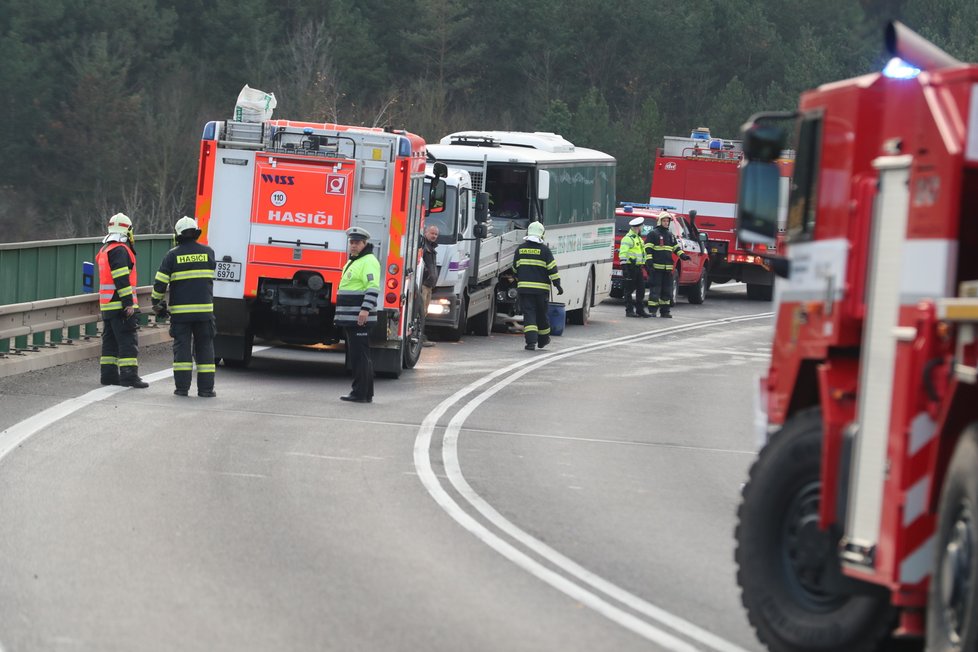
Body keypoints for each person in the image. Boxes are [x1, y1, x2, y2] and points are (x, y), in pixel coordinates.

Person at [151, 216, 217, 397]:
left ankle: (182, 389)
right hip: (204, 313)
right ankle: (206, 390)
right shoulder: (209, 253)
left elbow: (160, 284)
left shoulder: (172, 255)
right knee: (205, 350)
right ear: (196, 233)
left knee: (182, 350)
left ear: (178, 235)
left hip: (181, 315)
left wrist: (156, 303)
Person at [96, 212, 148, 388]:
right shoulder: (120, 250)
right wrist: (128, 303)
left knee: (109, 342)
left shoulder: (104, 250)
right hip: (120, 305)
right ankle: (129, 377)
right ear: (127, 230)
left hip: (107, 304)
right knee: (127, 341)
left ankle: (108, 376)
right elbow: (121, 278)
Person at [335, 226, 381, 403]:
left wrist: (364, 310)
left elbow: (372, 287)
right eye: (351, 242)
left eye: (357, 243)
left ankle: (360, 393)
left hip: (359, 318)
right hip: (352, 318)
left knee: (360, 357)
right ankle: (365, 393)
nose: (353, 245)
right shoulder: (354, 260)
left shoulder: (368, 261)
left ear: (365, 243)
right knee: (360, 356)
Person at [512, 221, 562, 351]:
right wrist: (558, 285)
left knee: (529, 315)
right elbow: (552, 270)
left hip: (525, 290)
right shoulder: (545, 251)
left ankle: (531, 343)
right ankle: (543, 340)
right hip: (541, 291)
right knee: (542, 315)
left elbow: (514, 268)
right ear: (541, 234)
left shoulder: (520, 249)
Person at [644, 211, 690, 318]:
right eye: (664, 221)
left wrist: (683, 256)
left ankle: (665, 311)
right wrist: (649, 263)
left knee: (667, 291)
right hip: (656, 268)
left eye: (667, 221)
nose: (666, 223)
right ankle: (653, 311)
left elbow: (675, 248)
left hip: (668, 269)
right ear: (660, 221)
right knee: (655, 290)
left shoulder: (670, 235)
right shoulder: (653, 234)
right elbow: (648, 249)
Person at [619, 215, 650, 318]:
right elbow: (623, 253)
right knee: (628, 290)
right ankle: (629, 310)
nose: (643, 228)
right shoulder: (628, 239)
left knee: (641, 289)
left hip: (638, 268)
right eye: (642, 226)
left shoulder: (638, 239)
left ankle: (640, 310)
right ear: (637, 227)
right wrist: (624, 268)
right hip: (630, 267)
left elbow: (642, 253)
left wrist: (646, 265)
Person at [420, 224, 439, 347]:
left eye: (436, 234)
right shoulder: (423, 247)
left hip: (429, 285)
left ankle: (421, 336)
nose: (434, 236)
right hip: (424, 285)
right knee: (421, 311)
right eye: (432, 233)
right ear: (426, 232)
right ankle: (420, 337)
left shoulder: (431, 248)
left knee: (425, 312)